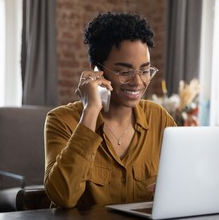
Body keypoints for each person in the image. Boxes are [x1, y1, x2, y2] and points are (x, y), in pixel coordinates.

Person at [44, 12, 176, 209]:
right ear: (96, 70)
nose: (138, 82)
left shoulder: (159, 119)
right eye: (125, 72)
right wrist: (90, 110)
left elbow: (186, 179)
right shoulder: (61, 120)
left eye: (145, 70)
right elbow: (63, 196)